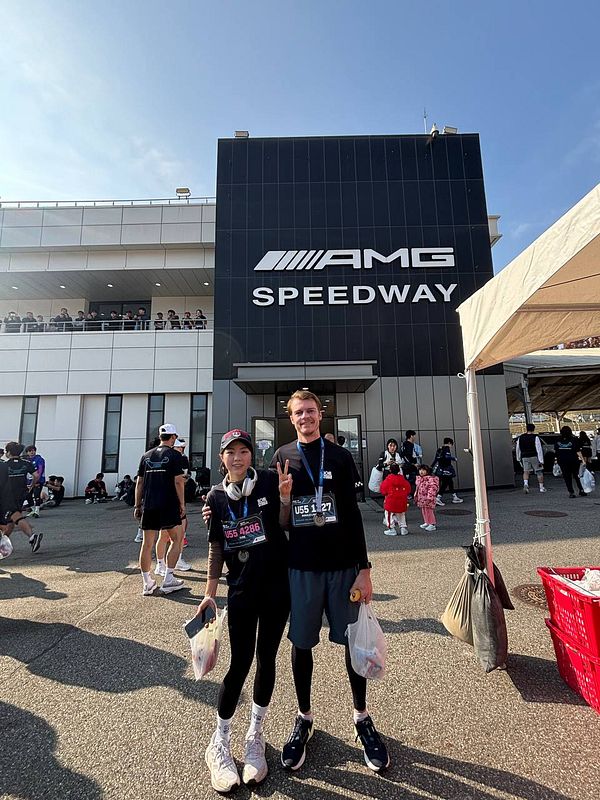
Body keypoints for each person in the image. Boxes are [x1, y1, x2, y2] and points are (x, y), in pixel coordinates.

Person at [271, 390, 389, 773]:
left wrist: (365, 568)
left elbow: (353, 516)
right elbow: (281, 523)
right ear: (290, 418)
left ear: (319, 414)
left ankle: (361, 717)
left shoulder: (339, 457)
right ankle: (304, 717)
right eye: (297, 413)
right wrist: (285, 500)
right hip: (301, 569)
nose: (304, 417)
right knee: (301, 644)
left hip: (342, 569)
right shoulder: (282, 457)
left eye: (309, 411)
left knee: (352, 643)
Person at [199, 429, 292, 791]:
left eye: (243, 451)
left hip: (276, 588)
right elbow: (216, 548)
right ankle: (218, 742)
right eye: (230, 453)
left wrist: (284, 500)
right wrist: (209, 594)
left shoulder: (269, 481)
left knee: (267, 658)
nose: (237, 458)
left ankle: (255, 737)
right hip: (240, 590)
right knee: (239, 663)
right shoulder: (216, 497)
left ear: (251, 455)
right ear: (221, 458)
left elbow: (285, 525)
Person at [134, 422, 186, 595]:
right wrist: (182, 504)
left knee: (147, 544)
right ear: (173, 437)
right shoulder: (174, 455)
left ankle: (147, 583)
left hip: (149, 504)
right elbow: (179, 481)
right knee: (176, 539)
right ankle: (169, 578)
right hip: (168, 504)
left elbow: (139, 482)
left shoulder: (146, 456)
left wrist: (137, 505)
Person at [155, 437, 191, 572]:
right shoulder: (167, 457)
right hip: (169, 499)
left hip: (174, 498)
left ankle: (175, 560)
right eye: (179, 447)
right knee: (165, 535)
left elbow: (184, 478)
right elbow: (177, 480)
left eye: (183, 447)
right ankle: (161, 563)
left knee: (180, 533)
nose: (181, 450)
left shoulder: (183, 459)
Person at [0, 442, 42, 552]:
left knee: (15, 516)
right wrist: (31, 486)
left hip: (7, 495)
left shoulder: (5, 465)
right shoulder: (26, 463)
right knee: (11, 519)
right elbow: (36, 475)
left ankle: (32, 537)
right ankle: (3, 545)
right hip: (21, 493)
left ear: (8, 452)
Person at [379, 462, 411, 536]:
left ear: (390, 470)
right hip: (402, 500)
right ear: (399, 470)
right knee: (401, 514)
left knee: (389, 515)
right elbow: (408, 489)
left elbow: (383, 490)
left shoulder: (388, 480)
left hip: (391, 501)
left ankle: (392, 529)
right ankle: (403, 528)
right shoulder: (403, 479)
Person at [554, 426, 585, 498]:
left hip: (562, 461)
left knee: (567, 477)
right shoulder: (574, 439)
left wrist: (555, 460)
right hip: (573, 460)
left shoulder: (558, 440)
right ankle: (581, 490)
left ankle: (571, 492)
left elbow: (556, 451)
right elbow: (578, 451)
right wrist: (583, 460)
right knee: (577, 476)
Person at [515, 424, 546, 494]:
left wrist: (518, 458)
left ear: (526, 429)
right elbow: (539, 449)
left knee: (526, 471)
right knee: (539, 472)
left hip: (524, 457)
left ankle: (526, 484)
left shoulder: (520, 438)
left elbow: (518, 449)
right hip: (534, 456)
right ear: (533, 429)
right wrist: (541, 460)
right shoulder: (535, 437)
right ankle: (541, 487)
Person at [432, 438, 464, 505]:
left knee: (449, 482)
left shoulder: (439, 449)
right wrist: (454, 458)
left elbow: (436, 459)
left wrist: (431, 467)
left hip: (440, 469)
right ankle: (438, 498)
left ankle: (454, 496)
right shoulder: (446, 448)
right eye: (451, 444)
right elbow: (447, 457)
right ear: (449, 443)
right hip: (446, 469)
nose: (451, 446)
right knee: (445, 483)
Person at [415, 464, 439, 531]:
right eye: (420, 470)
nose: (421, 471)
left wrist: (430, 497)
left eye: (423, 470)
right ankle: (427, 522)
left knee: (429, 511)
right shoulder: (420, 479)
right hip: (422, 498)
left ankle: (432, 523)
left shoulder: (430, 479)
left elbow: (433, 488)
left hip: (428, 498)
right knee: (424, 510)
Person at [24, 445, 45, 518]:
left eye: (33, 450)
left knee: (37, 495)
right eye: (30, 451)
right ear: (27, 452)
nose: (32, 452)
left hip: (38, 480)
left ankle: (37, 511)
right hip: (29, 481)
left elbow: (40, 470)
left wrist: (37, 480)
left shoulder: (39, 459)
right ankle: (33, 510)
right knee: (28, 495)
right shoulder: (26, 461)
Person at [400, 430, 419, 495]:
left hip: (407, 466)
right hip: (410, 467)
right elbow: (407, 456)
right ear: (411, 436)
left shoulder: (405, 444)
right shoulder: (409, 445)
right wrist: (413, 464)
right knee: (411, 481)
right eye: (414, 436)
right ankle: (408, 494)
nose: (415, 437)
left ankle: (409, 494)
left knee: (409, 481)